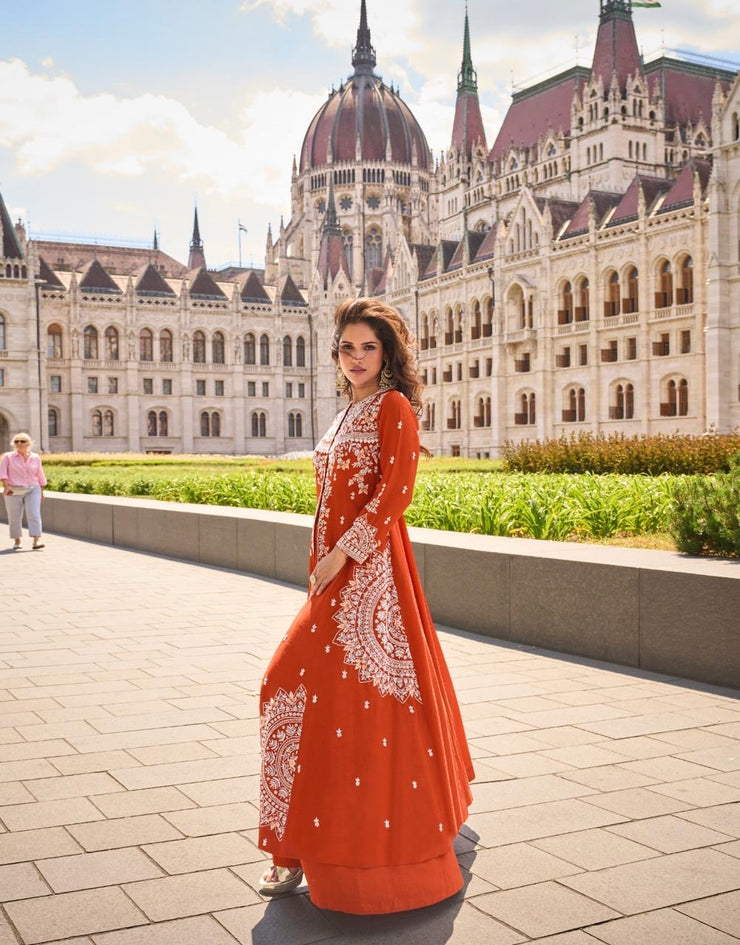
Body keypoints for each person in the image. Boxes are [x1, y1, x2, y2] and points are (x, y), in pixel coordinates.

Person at [257, 298, 474, 914]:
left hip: (370, 580)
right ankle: (294, 848)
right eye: (347, 347)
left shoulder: (392, 406)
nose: (356, 358)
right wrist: (323, 563)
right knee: (300, 696)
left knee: (346, 706)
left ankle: (358, 860)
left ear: (387, 353)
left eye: (368, 348)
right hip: (331, 578)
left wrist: (341, 557)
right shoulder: (346, 410)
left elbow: (396, 492)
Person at [0, 433, 47, 550]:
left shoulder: (35, 457)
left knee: (34, 514)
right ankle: (17, 540)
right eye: (16, 441)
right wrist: (6, 486)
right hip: (13, 489)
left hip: (33, 488)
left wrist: (41, 490)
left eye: (22, 441)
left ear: (29, 443)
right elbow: (3, 473)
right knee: (14, 516)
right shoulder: (7, 457)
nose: (19, 443)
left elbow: (40, 474)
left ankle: (36, 541)